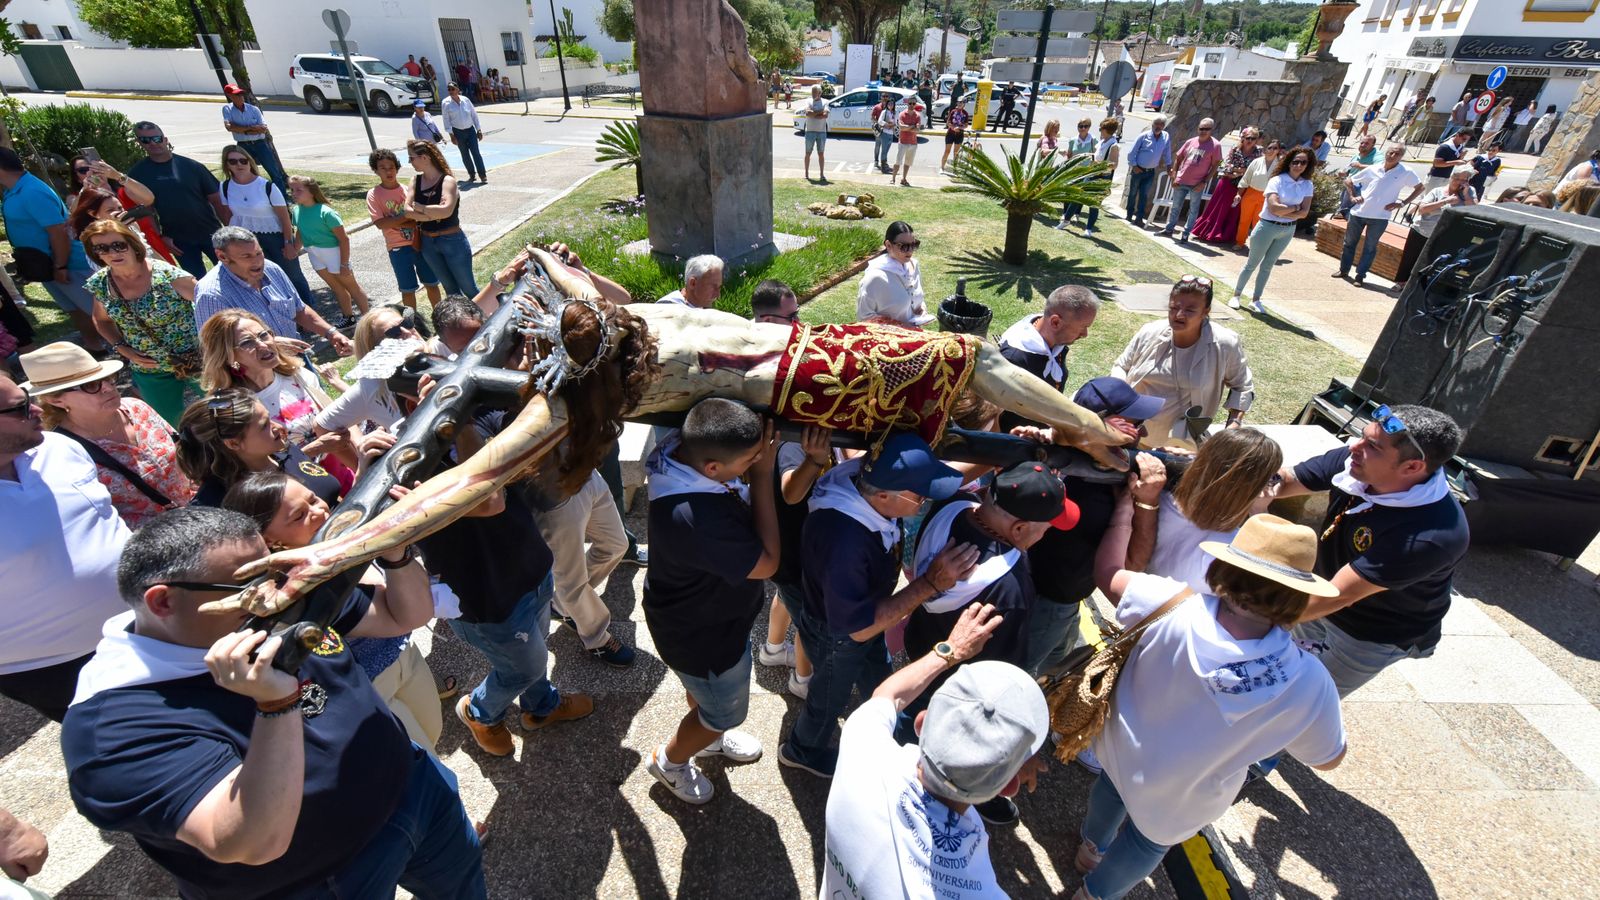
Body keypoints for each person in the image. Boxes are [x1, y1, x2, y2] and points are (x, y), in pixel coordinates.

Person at [61, 506, 485, 898]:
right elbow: (251, 841)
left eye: (272, 570)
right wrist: (277, 705)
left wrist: (396, 554)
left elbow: (402, 616)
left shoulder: (277, 597)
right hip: (320, 879)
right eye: (247, 586)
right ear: (163, 601)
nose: (277, 595)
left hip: (416, 792)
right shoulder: (111, 731)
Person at [1080, 515, 1347, 900]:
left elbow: (1108, 572)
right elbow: (1327, 758)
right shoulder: (1310, 683)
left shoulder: (1167, 603)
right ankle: (1093, 894)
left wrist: (1125, 510)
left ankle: (1090, 849)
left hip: (1122, 749)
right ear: (1297, 597)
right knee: (1147, 844)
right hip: (1185, 796)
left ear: (1225, 568)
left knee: (1110, 791)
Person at [777, 433, 971, 780]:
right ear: (884, 496)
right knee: (828, 697)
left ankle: (889, 719)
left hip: (858, 610)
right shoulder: (845, 545)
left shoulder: (860, 479)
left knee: (877, 668)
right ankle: (802, 749)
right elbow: (859, 627)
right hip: (839, 631)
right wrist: (930, 583)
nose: (924, 500)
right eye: (920, 495)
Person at [821, 610, 1047, 900]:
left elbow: (888, 695)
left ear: (921, 722)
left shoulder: (861, 751)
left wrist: (950, 649)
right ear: (1008, 788)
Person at [901, 459, 1077, 824]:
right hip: (956, 691)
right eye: (1046, 529)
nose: (1046, 536)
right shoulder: (1009, 588)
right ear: (1020, 527)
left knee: (909, 718)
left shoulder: (950, 507)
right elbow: (1000, 678)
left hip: (919, 646)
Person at [223, 470, 442, 750]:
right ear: (269, 542)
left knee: (433, 731)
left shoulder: (337, 543)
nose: (320, 512)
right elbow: (410, 615)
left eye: (313, 499)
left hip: (404, 655)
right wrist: (395, 553)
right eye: (299, 515)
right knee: (426, 758)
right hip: (374, 690)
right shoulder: (298, 590)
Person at [1273, 404, 1468, 696]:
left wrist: (1247, 621)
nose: (1354, 446)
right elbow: (1287, 480)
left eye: (1373, 445)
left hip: (1372, 632)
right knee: (1277, 673)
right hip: (1320, 594)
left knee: (1304, 701)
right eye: (1362, 436)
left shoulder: (1432, 534)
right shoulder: (1356, 463)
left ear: (1412, 467)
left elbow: (1340, 595)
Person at [641, 398, 778, 805]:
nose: (756, 462)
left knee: (706, 699)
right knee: (725, 710)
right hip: (705, 638)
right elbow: (768, 563)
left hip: (692, 622)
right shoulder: (694, 517)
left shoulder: (681, 457)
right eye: (749, 461)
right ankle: (670, 762)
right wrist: (765, 476)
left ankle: (707, 731)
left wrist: (752, 461)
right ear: (714, 469)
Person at [0, 370, 130, 722]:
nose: (39, 411)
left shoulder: (58, 447)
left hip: (146, 624)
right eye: (20, 408)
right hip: (56, 671)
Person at [1017, 379, 1162, 677]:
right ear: (1096, 426)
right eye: (1135, 423)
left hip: (1066, 596)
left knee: (1057, 659)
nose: (1144, 432)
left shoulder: (1091, 466)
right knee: (1021, 673)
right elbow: (1133, 562)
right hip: (1050, 599)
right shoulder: (1076, 483)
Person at [23, 342, 194, 525]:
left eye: (109, 378)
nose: (108, 387)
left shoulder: (137, 407)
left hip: (199, 512)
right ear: (55, 400)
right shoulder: (63, 450)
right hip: (153, 542)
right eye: (91, 385)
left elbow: (186, 453)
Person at [1098, 427, 1283, 596]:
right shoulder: (1233, 554)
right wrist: (1260, 511)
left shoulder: (1153, 491)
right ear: (1256, 488)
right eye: (1272, 478)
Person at [197, 308, 357, 482]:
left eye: (264, 335)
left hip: (344, 473)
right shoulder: (228, 408)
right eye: (247, 343)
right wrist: (315, 449)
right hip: (299, 493)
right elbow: (249, 471)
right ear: (228, 356)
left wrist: (363, 451)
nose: (263, 345)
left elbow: (338, 419)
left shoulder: (298, 375)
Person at [81, 220, 202, 425]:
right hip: (150, 368)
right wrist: (123, 349)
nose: (112, 253)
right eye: (102, 248)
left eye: (118, 245)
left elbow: (213, 307)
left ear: (133, 244)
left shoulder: (169, 276)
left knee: (229, 408)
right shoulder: (101, 283)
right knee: (171, 423)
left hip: (197, 359)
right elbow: (101, 321)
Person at [1115, 276, 1254, 444]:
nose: (1179, 315)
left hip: (1181, 446)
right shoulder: (1150, 332)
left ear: (1206, 311)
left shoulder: (1225, 343)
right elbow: (1121, 366)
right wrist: (1118, 401)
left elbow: (1243, 387)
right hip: (1130, 434)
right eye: (1173, 307)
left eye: (1190, 310)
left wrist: (1233, 426)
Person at [0, 147, 106, 353]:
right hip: (48, 265)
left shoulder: (32, 191)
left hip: (68, 263)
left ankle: (130, 351)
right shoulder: (14, 190)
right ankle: (94, 346)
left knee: (98, 311)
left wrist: (61, 265)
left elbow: (57, 231)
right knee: (74, 309)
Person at [193, 226, 353, 356]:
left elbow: (299, 309)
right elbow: (215, 349)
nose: (257, 261)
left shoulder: (271, 268)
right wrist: (272, 344)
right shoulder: (211, 295)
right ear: (222, 256)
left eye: (258, 253)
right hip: (258, 379)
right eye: (247, 256)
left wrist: (331, 333)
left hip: (295, 359)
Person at [176, 388, 345, 508]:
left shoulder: (284, 451)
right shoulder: (222, 504)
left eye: (269, 417)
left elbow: (330, 496)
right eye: (264, 425)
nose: (278, 426)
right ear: (233, 443)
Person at [217, 144, 314, 305]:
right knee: (258, 278)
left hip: (274, 238)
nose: (239, 165)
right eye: (233, 162)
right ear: (227, 165)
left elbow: (284, 218)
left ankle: (307, 310)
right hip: (246, 241)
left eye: (243, 160)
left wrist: (289, 243)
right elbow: (228, 215)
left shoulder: (267, 186)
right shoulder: (225, 187)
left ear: (250, 162)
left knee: (292, 276)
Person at [127, 121, 227, 277]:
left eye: (157, 138)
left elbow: (216, 199)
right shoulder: (137, 174)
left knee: (231, 273)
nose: (153, 143)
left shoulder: (192, 166)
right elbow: (146, 211)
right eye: (146, 140)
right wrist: (160, 238)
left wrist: (228, 228)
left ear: (165, 139)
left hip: (211, 233)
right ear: (139, 143)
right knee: (196, 282)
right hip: (177, 241)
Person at [995, 285, 1099, 432]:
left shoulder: (1056, 342)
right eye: (1082, 327)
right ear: (1055, 322)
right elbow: (993, 414)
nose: (1085, 334)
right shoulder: (1014, 359)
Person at [1230, 145, 1316, 312]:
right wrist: (1294, 209)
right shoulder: (1277, 180)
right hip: (1267, 227)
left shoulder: (1307, 184)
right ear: (1289, 162)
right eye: (1296, 161)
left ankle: (1256, 300)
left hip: (1287, 230)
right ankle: (1236, 295)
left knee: (1268, 265)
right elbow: (1274, 208)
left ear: (1308, 165)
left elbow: (1305, 213)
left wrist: (1289, 211)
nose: (1299, 165)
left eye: (1303, 162)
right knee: (1251, 263)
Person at [287, 175, 370, 328]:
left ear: (311, 191)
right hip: (314, 254)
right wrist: (295, 247)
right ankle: (348, 318)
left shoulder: (326, 212)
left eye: (299, 190)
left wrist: (344, 263)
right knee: (336, 287)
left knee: (352, 287)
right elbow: (300, 231)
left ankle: (369, 321)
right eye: (292, 190)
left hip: (333, 254)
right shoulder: (296, 211)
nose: (294, 193)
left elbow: (344, 239)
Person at [1336, 143, 1424, 286]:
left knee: (1370, 248)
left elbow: (1420, 188)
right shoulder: (1373, 168)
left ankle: (1360, 276)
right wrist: (1352, 197)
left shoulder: (1406, 172)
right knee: (1349, 243)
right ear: (1386, 153)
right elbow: (1349, 180)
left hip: (1380, 217)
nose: (1392, 156)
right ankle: (1343, 270)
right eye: (1391, 152)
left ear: (1401, 156)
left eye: (1397, 154)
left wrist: (1402, 203)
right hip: (1359, 213)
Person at [368, 148, 443, 312]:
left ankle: (441, 316)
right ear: (375, 170)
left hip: (420, 244)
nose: (389, 171)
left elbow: (420, 217)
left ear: (397, 167)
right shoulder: (374, 194)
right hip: (397, 248)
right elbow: (380, 223)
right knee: (407, 290)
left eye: (392, 167)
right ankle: (413, 324)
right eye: (383, 167)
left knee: (432, 284)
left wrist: (395, 221)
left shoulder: (408, 189)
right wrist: (407, 217)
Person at [403, 139, 479, 298]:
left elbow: (445, 211)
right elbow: (407, 211)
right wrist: (431, 213)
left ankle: (491, 319)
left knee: (469, 289)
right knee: (451, 291)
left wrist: (421, 209)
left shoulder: (447, 181)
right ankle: (464, 322)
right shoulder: (415, 181)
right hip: (427, 243)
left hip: (452, 240)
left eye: (412, 158)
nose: (410, 162)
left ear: (425, 158)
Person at [67, 156, 170, 263]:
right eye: (83, 170)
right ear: (77, 177)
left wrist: (117, 176)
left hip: (151, 246)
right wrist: (85, 190)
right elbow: (74, 213)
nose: (91, 172)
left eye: (97, 167)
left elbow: (149, 198)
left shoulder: (123, 190)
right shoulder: (78, 199)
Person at [856, 220, 931, 326]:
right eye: (904, 246)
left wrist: (922, 309)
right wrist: (900, 326)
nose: (910, 251)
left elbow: (916, 298)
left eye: (914, 245)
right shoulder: (875, 277)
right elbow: (864, 317)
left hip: (913, 335)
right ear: (888, 245)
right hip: (888, 339)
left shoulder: (914, 266)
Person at [1192, 126, 1260, 243]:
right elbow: (1225, 164)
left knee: (1234, 211)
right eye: (1248, 138)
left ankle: (1227, 236)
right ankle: (1210, 233)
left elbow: (1255, 169)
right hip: (1227, 182)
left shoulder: (1258, 152)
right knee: (1219, 209)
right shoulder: (1235, 148)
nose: (1250, 141)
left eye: (1253, 138)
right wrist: (1240, 170)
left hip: (1243, 187)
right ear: (1243, 138)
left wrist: (1238, 171)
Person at [1161, 118, 1222, 243]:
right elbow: (1179, 157)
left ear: (1211, 130)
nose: (1203, 131)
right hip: (1181, 180)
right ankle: (1169, 229)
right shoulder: (1190, 142)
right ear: (1198, 128)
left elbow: (1215, 165)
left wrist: (1204, 182)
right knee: (1175, 207)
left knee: (1193, 210)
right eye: (1201, 128)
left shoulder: (1215, 145)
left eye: (1207, 129)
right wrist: (1175, 175)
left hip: (1197, 184)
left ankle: (1185, 234)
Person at [219, 84, 287, 191]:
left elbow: (263, 128)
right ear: (229, 96)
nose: (240, 96)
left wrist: (243, 130)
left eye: (241, 94)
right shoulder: (227, 109)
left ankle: (283, 196)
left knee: (274, 172)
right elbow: (229, 127)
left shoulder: (254, 109)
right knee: (247, 173)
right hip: (243, 146)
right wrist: (252, 129)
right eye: (236, 95)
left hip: (260, 144)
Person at [1063, 118, 1120, 234]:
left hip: (1101, 177)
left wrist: (1098, 164)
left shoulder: (1113, 145)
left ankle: (1088, 230)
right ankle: (1066, 220)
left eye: (1101, 129)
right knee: (1077, 197)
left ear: (1107, 130)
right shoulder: (1102, 142)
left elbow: (1114, 165)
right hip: (1091, 174)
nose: (1099, 131)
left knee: (1094, 203)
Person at [1124, 117, 1172, 228]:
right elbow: (1132, 153)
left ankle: (1139, 218)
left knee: (1144, 196)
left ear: (1163, 126)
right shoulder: (1143, 136)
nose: (1158, 126)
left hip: (1150, 172)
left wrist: (1169, 165)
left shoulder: (1165, 136)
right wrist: (1134, 165)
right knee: (1132, 193)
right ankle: (1129, 215)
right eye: (1156, 123)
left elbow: (1167, 152)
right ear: (1152, 124)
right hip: (1138, 170)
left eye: (1161, 124)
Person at [440, 81, 487, 183]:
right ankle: (471, 174)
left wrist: (478, 129)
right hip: (458, 132)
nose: (451, 91)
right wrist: (451, 135)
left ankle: (482, 175)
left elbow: (474, 115)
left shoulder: (465, 100)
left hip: (470, 130)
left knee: (476, 153)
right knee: (465, 154)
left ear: (457, 89)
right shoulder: (446, 103)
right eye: (449, 89)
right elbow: (446, 120)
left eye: (453, 89)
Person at [1333, 133, 1379, 218]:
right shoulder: (1357, 155)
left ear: (1373, 145)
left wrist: (1360, 166)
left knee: (1350, 212)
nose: (1363, 145)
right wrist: (1344, 173)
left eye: (1367, 143)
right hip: (1349, 185)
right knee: (1343, 210)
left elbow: (1380, 168)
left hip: (1361, 187)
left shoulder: (1377, 156)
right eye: (1362, 143)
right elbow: (1351, 170)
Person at [659, 254, 724, 308]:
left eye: (719, 287)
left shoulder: (702, 307)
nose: (717, 295)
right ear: (693, 283)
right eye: (713, 287)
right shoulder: (667, 308)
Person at [891, 97, 923, 186]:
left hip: (913, 143)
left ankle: (904, 179)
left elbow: (917, 130)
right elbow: (901, 127)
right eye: (910, 103)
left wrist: (908, 127)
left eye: (913, 104)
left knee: (907, 163)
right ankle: (893, 179)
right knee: (898, 162)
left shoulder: (917, 116)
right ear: (907, 104)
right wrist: (912, 126)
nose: (912, 105)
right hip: (903, 142)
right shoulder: (902, 114)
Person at [803, 85, 830, 183]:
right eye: (812, 92)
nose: (813, 94)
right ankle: (806, 174)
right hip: (810, 131)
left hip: (821, 132)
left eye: (815, 92)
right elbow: (807, 113)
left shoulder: (825, 102)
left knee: (821, 153)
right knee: (807, 153)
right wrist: (819, 112)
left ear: (820, 93)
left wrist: (814, 113)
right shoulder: (808, 101)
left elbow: (825, 115)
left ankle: (822, 174)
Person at [940, 99, 971, 174]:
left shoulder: (965, 113)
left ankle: (955, 168)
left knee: (956, 152)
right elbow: (948, 122)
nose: (960, 104)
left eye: (962, 102)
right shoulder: (953, 111)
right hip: (950, 133)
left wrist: (960, 128)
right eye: (958, 102)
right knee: (947, 151)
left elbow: (966, 124)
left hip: (959, 134)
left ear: (964, 104)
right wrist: (953, 128)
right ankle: (942, 167)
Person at [872, 93, 898, 173]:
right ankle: (882, 166)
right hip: (883, 132)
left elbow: (897, 121)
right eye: (889, 104)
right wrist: (886, 124)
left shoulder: (895, 112)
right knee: (880, 148)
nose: (890, 105)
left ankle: (885, 164)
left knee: (886, 150)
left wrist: (893, 124)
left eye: (892, 104)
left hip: (891, 133)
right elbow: (878, 120)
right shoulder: (883, 111)